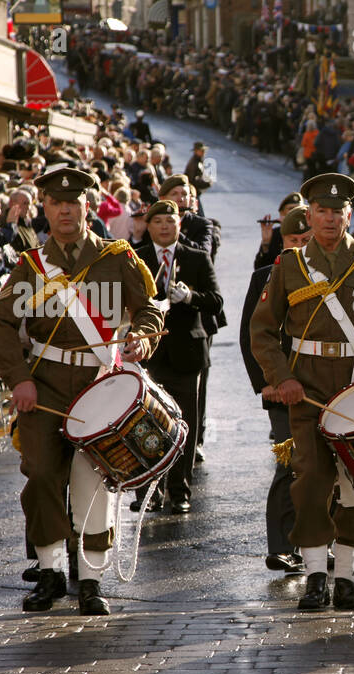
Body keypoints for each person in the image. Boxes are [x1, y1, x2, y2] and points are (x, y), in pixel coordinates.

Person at [0, 166, 164, 615]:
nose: (65, 209)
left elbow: (149, 309)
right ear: (44, 207)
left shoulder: (116, 257)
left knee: (93, 482)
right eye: (56, 202)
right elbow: (0, 326)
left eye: (74, 202)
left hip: (99, 383)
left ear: (89, 205)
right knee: (43, 474)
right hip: (43, 388)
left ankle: (90, 579)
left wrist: (143, 335)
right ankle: (48, 573)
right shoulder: (30, 267)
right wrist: (19, 379)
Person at [249, 173, 354, 611]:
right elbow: (262, 331)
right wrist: (282, 377)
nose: (329, 218)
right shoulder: (289, 266)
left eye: (337, 211)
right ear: (309, 214)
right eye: (321, 210)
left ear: (349, 215)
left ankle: (347, 577)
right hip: (307, 386)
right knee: (313, 479)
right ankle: (316, 575)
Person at [132, 199, 223, 514]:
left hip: (187, 353)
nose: (165, 227)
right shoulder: (138, 257)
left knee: (185, 424)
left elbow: (216, 301)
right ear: (149, 225)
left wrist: (191, 297)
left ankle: (180, 490)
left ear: (179, 225)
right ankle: (149, 489)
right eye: (158, 222)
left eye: (171, 221)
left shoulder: (196, 258)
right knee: (147, 424)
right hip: (149, 354)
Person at [240, 204, 311, 574]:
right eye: (292, 240)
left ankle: (319, 544)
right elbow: (249, 336)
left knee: (323, 465)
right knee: (289, 464)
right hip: (280, 390)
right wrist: (266, 383)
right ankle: (282, 545)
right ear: (282, 241)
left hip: (321, 386)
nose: (299, 246)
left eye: (305, 239)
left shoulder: (330, 275)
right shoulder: (265, 277)